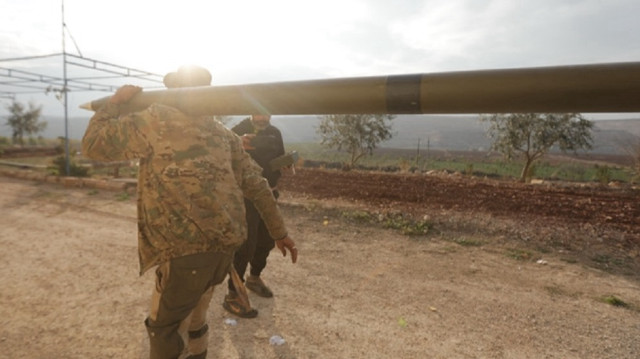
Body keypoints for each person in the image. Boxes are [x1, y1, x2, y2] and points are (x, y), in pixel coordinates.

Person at [81, 65, 298, 359]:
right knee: (196, 319)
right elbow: (258, 186)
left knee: (165, 329)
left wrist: (113, 105)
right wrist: (280, 233)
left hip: (183, 253)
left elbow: (93, 145)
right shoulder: (224, 135)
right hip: (222, 252)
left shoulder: (155, 121)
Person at [222, 114, 287, 318]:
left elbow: (278, 159)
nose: (262, 116)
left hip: (269, 192)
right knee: (245, 245)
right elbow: (222, 154)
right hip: (245, 196)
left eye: (265, 112)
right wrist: (238, 144)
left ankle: (254, 278)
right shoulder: (237, 131)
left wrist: (286, 163)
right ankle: (233, 292)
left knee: (266, 240)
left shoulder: (275, 133)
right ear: (251, 113)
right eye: (257, 112)